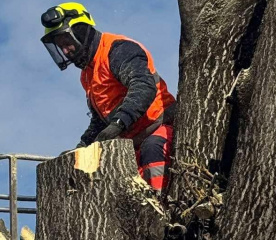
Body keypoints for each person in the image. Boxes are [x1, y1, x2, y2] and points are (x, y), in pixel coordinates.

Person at [40, 2, 176, 194]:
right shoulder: (87, 75)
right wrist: (83, 145)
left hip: (159, 128)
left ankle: (165, 215)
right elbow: (100, 119)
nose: (65, 51)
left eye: (66, 41)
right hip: (131, 144)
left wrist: (119, 123)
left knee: (153, 151)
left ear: (80, 30)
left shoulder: (117, 49)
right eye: (60, 47)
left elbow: (143, 86)